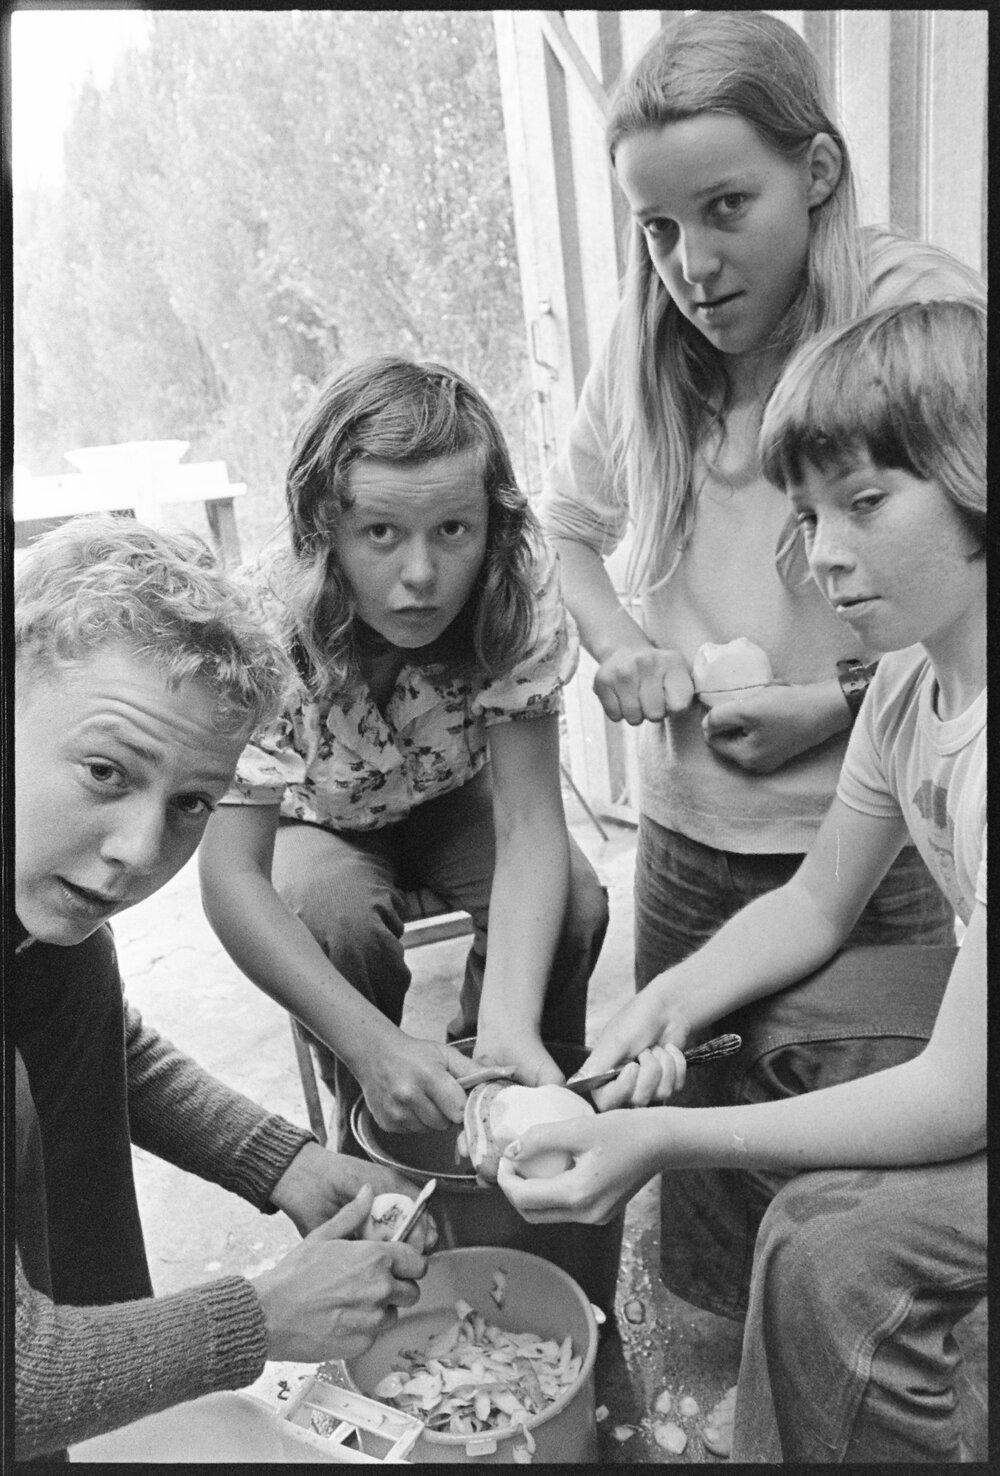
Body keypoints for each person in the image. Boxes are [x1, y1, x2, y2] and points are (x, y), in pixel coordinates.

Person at [536, 3, 985, 1402]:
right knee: (755, 1100)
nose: (822, 558)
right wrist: (661, 1004)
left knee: (830, 1244)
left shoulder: (917, 316)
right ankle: (725, 1398)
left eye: (862, 503)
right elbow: (808, 909)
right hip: (723, 820)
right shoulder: (912, 694)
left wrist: (662, 1140)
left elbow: (955, 1093)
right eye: (804, 515)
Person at [12, 515, 436, 1463]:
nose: (138, 851)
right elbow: (18, 1374)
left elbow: (100, 1044)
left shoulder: (48, 922)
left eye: (190, 804)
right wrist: (262, 1315)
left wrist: (288, 1164)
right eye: (104, 772)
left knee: (80, 977)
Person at [198, 356, 608, 1152]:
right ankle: (382, 1131)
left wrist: (508, 1025)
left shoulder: (517, 587)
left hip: (455, 796)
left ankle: (517, 1097)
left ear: (493, 525)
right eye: (380, 533)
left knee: (574, 904)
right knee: (338, 921)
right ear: (324, 531)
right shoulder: (262, 626)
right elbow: (231, 877)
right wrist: (372, 1049)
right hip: (314, 816)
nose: (421, 576)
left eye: (452, 530)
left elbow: (529, 823)